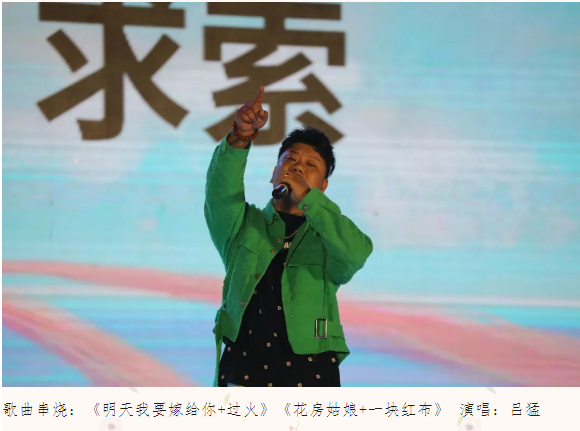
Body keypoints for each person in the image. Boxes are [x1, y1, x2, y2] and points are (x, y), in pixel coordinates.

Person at [205, 85, 373, 387]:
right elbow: (220, 193)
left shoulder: (328, 237)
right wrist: (241, 136)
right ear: (274, 173)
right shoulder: (244, 225)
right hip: (243, 374)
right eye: (290, 160)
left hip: (309, 377)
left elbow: (356, 253)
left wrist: (309, 200)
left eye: (310, 166)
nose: (297, 168)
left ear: (322, 187)